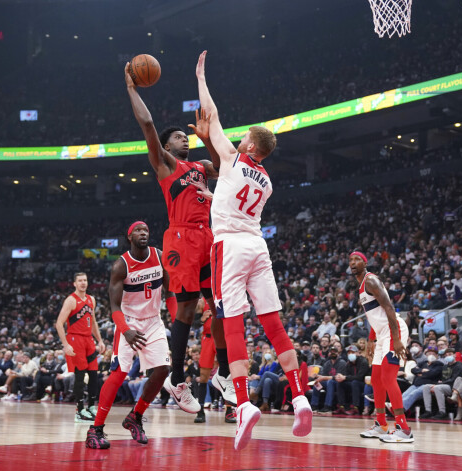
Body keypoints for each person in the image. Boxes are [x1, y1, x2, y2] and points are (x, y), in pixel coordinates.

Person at [195, 50, 312, 451]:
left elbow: (211, 113)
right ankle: (299, 396)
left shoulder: (231, 156)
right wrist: (212, 195)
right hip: (257, 246)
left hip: (228, 246)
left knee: (232, 324)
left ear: (248, 142)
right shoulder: (266, 180)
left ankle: (243, 404)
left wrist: (201, 78)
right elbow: (233, 200)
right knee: (274, 325)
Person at [124, 62, 235, 413]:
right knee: (187, 308)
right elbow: (147, 125)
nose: (182, 139)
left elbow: (226, 166)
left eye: (184, 136)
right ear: (168, 147)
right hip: (182, 239)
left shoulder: (201, 166)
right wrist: (132, 89)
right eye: (178, 138)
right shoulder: (167, 165)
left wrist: (207, 138)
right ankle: (176, 378)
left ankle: (225, 372)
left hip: (208, 237)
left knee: (220, 305)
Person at [86, 221, 176, 449]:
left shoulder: (160, 256)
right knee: (118, 374)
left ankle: (135, 417)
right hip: (128, 323)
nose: (143, 233)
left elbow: (171, 292)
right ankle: (95, 429)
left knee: (163, 369)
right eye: (138, 230)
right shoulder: (121, 266)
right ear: (130, 237)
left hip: (154, 320)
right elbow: (114, 307)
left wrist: (177, 322)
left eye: (146, 229)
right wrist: (125, 331)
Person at [349, 251, 412, 444]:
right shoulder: (361, 286)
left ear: (365, 263)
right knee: (376, 379)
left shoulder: (371, 280)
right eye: (350, 260)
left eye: (357, 259)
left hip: (394, 331)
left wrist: (397, 339)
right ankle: (381, 424)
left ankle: (404, 428)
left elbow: (389, 308)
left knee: (387, 377)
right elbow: (375, 317)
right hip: (382, 334)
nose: (353, 262)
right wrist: (370, 340)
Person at [55, 272, 105, 422]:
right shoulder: (71, 300)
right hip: (75, 339)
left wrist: (100, 340)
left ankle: (90, 407)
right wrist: (65, 345)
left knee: (94, 374)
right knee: (80, 375)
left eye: (85, 280)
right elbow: (59, 323)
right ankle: (79, 410)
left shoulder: (91, 299)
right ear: (74, 284)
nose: (83, 283)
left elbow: (93, 322)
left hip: (88, 340)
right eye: (80, 281)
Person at [195, 300, 236, 424]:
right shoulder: (201, 302)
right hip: (207, 338)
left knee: (227, 375)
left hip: (223, 338)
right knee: (203, 377)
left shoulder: (226, 297)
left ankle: (229, 411)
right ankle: (200, 410)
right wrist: (202, 319)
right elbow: (194, 324)